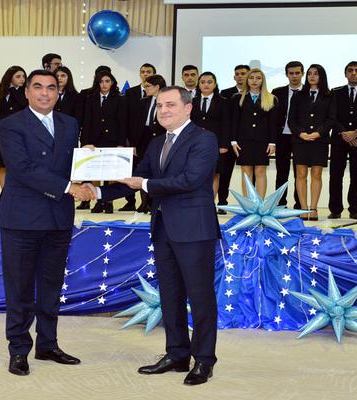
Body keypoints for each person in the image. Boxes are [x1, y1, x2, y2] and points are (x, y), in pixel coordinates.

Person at [88, 86, 220, 386]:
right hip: (163, 229)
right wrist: (98, 188)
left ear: (188, 108)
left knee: (200, 297)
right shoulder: (157, 142)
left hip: (194, 231)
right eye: (159, 106)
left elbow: (190, 180)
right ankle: (177, 354)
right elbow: (134, 178)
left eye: (170, 105)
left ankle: (204, 360)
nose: (163, 110)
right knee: (170, 296)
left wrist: (145, 184)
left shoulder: (204, 139)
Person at [0, 69, 94, 376]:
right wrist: (69, 187)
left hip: (58, 217)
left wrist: (88, 160)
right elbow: (22, 169)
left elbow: (67, 166)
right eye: (38, 87)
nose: (45, 93)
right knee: (20, 288)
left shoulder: (70, 123)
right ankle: (18, 349)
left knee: (51, 286)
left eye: (51, 87)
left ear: (58, 92)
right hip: (21, 218)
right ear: (26, 92)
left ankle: (48, 344)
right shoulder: (10, 124)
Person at [288, 64, 336, 221]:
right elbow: (291, 119)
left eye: (315, 73)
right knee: (301, 174)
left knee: (316, 174)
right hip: (300, 140)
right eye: (309, 73)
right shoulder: (298, 95)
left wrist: (318, 133)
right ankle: (303, 208)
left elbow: (331, 119)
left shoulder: (329, 96)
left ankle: (313, 208)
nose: (312, 76)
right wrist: (301, 133)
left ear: (321, 76)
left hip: (319, 141)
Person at [81, 70, 128, 214]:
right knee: (95, 172)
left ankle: (108, 202)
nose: (104, 84)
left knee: (111, 172)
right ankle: (98, 201)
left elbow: (122, 122)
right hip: (95, 141)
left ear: (112, 82)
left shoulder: (119, 99)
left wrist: (121, 143)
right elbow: (87, 122)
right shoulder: (91, 98)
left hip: (113, 140)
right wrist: (85, 142)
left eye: (107, 81)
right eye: (101, 81)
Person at [231, 68, 278, 198]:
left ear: (263, 80)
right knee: (246, 172)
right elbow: (234, 121)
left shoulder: (271, 98)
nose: (254, 81)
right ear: (247, 80)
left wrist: (272, 142)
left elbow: (273, 123)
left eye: (258, 78)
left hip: (262, 141)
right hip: (243, 140)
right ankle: (248, 204)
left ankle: (260, 204)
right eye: (251, 78)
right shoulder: (238, 98)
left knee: (260, 171)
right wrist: (233, 141)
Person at [328, 61, 357, 220]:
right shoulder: (336, 92)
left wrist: (356, 132)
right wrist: (344, 133)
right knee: (336, 175)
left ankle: (354, 208)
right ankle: (335, 209)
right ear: (345, 73)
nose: (354, 73)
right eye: (350, 70)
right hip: (339, 139)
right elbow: (332, 116)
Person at [120, 63, 157, 212]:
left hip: (155, 136)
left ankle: (151, 202)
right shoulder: (131, 92)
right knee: (136, 170)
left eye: (149, 72)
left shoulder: (163, 95)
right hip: (136, 137)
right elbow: (126, 117)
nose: (145, 74)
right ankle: (134, 202)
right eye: (143, 72)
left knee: (153, 170)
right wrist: (129, 141)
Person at [0, 66, 27, 188]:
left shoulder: (26, 91)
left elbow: (25, 106)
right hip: (0, 134)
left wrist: (14, 91)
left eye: (23, 76)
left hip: (19, 135)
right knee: (2, 166)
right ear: (10, 77)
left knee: (18, 166)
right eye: (18, 76)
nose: (22, 79)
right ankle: (4, 194)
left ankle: (17, 194)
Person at [191, 71, 230, 198]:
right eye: (202, 82)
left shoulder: (223, 101)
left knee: (214, 174)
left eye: (209, 82)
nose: (206, 85)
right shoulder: (191, 101)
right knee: (195, 173)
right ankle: (197, 202)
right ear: (198, 84)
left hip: (216, 144)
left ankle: (210, 203)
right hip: (195, 144)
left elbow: (226, 124)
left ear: (215, 84)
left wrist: (224, 144)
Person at [131, 74, 167, 213]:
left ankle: (155, 202)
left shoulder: (167, 101)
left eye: (147, 86)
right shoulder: (143, 101)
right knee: (143, 170)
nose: (145, 88)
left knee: (157, 170)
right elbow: (135, 124)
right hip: (143, 139)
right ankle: (144, 202)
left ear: (157, 86)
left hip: (160, 137)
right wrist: (134, 143)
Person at [217, 64, 250, 212]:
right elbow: (224, 118)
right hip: (229, 139)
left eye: (243, 73)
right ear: (234, 77)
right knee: (224, 172)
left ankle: (250, 204)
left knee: (250, 174)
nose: (240, 76)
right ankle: (222, 202)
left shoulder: (256, 93)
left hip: (248, 139)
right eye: (237, 74)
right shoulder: (225, 93)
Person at [272, 61, 304, 209]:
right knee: (281, 171)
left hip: (301, 137)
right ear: (286, 75)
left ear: (302, 74)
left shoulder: (308, 92)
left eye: (297, 73)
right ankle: (280, 203)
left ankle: (299, 204)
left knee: (300, 173)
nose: (294, 76)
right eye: (291, 73)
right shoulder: (277, 92)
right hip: (282, 136)